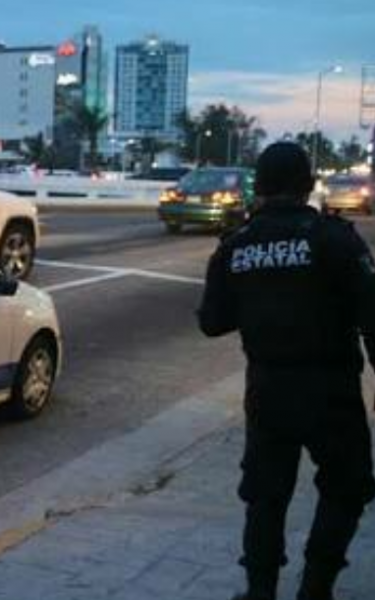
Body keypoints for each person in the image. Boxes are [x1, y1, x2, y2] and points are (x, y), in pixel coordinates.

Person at [198, 142, 375, 600]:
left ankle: (261, 592)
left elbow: (212, 322)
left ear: (260, 184)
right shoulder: (335, 239)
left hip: (268, 389)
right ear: (306, 184)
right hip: (331, 389)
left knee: (265, 496)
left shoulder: (236, 245)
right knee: (346, 487)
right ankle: (316, 588)